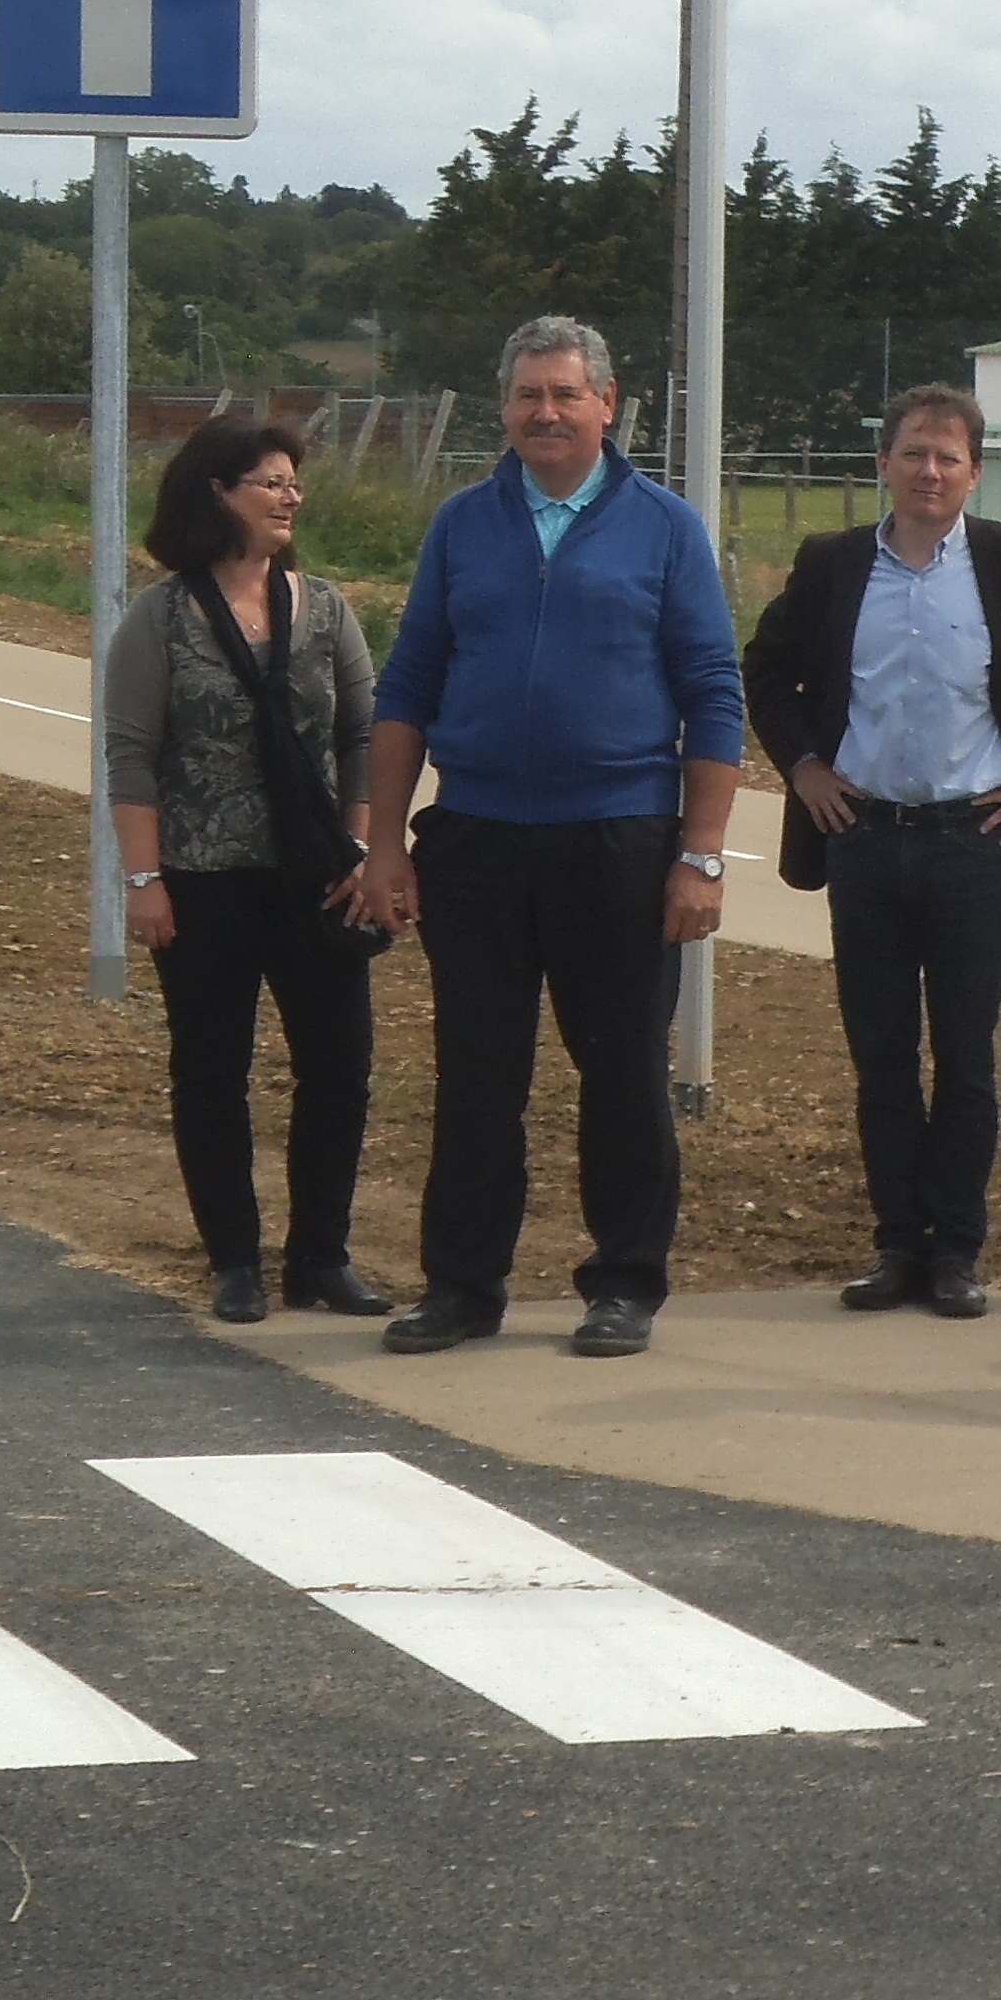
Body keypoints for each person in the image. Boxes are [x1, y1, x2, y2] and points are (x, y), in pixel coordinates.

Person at [347, 316, 743, 1362]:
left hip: (618, 841)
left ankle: (623, 1284)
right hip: (476, 840)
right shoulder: (462, 525)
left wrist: (701, 853)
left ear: (607, 404)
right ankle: (462, 1287)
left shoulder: (664, 528)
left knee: (621, 1077)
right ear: (506, 407)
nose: (546, 413)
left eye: (566, 394)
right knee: (478, 1075)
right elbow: (408, 687)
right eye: (528, 395)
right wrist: (384, 847)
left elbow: (713, 691)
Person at [745, 384, 1001, 1321]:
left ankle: (955, 1249)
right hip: (864, 843)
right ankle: (894, 1246)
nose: (931, 471)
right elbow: (765, 669)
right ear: (884, 464)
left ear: (975, 471)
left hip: (973, 847)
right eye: (914, 453)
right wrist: (803, 767)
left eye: (949, 457)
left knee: (966, 1058)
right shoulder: (832, 566)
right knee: (881, 1056)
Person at [104, 414, 386, 1326]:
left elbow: (361, 736)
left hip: (315, 881)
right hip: (202, 881)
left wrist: (358, 849)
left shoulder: (327, 609)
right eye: (270, 481)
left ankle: (322, 1257)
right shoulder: (160, 619)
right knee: (212, 1073)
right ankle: (234, 1261)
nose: (290, 496)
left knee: (338, 1071)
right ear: (217, 494)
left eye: (294, 481)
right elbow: (132, 755)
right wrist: (143, 883)